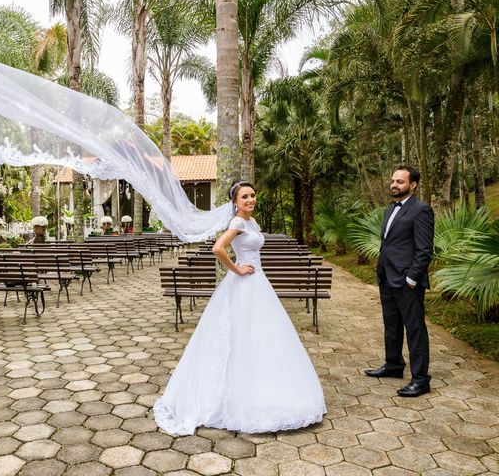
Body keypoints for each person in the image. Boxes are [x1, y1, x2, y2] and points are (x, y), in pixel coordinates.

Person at [153, 179, 326, 435]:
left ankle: (264, 388)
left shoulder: (251, 222)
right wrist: (236, 268)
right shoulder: (236, 223)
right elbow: (218, 248)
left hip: (258, 283)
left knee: (261, 335)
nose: (250, 200)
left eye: (253, 195)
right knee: (241, 333)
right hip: (245, 281)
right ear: (235, 202)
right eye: (245, 197)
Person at [366, 165, 434, 397]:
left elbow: (424, 250)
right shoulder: (389, 209)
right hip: (387, 277)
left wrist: (412, 279)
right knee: (391, 326)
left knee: (415, 329)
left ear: (412, 185)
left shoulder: (421, 210)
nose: (394, 185)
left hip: (407, 282)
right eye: (393, 181)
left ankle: (421, 379)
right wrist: (382, 273)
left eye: (400, 182)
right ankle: (394, 365)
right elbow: (388, 244)